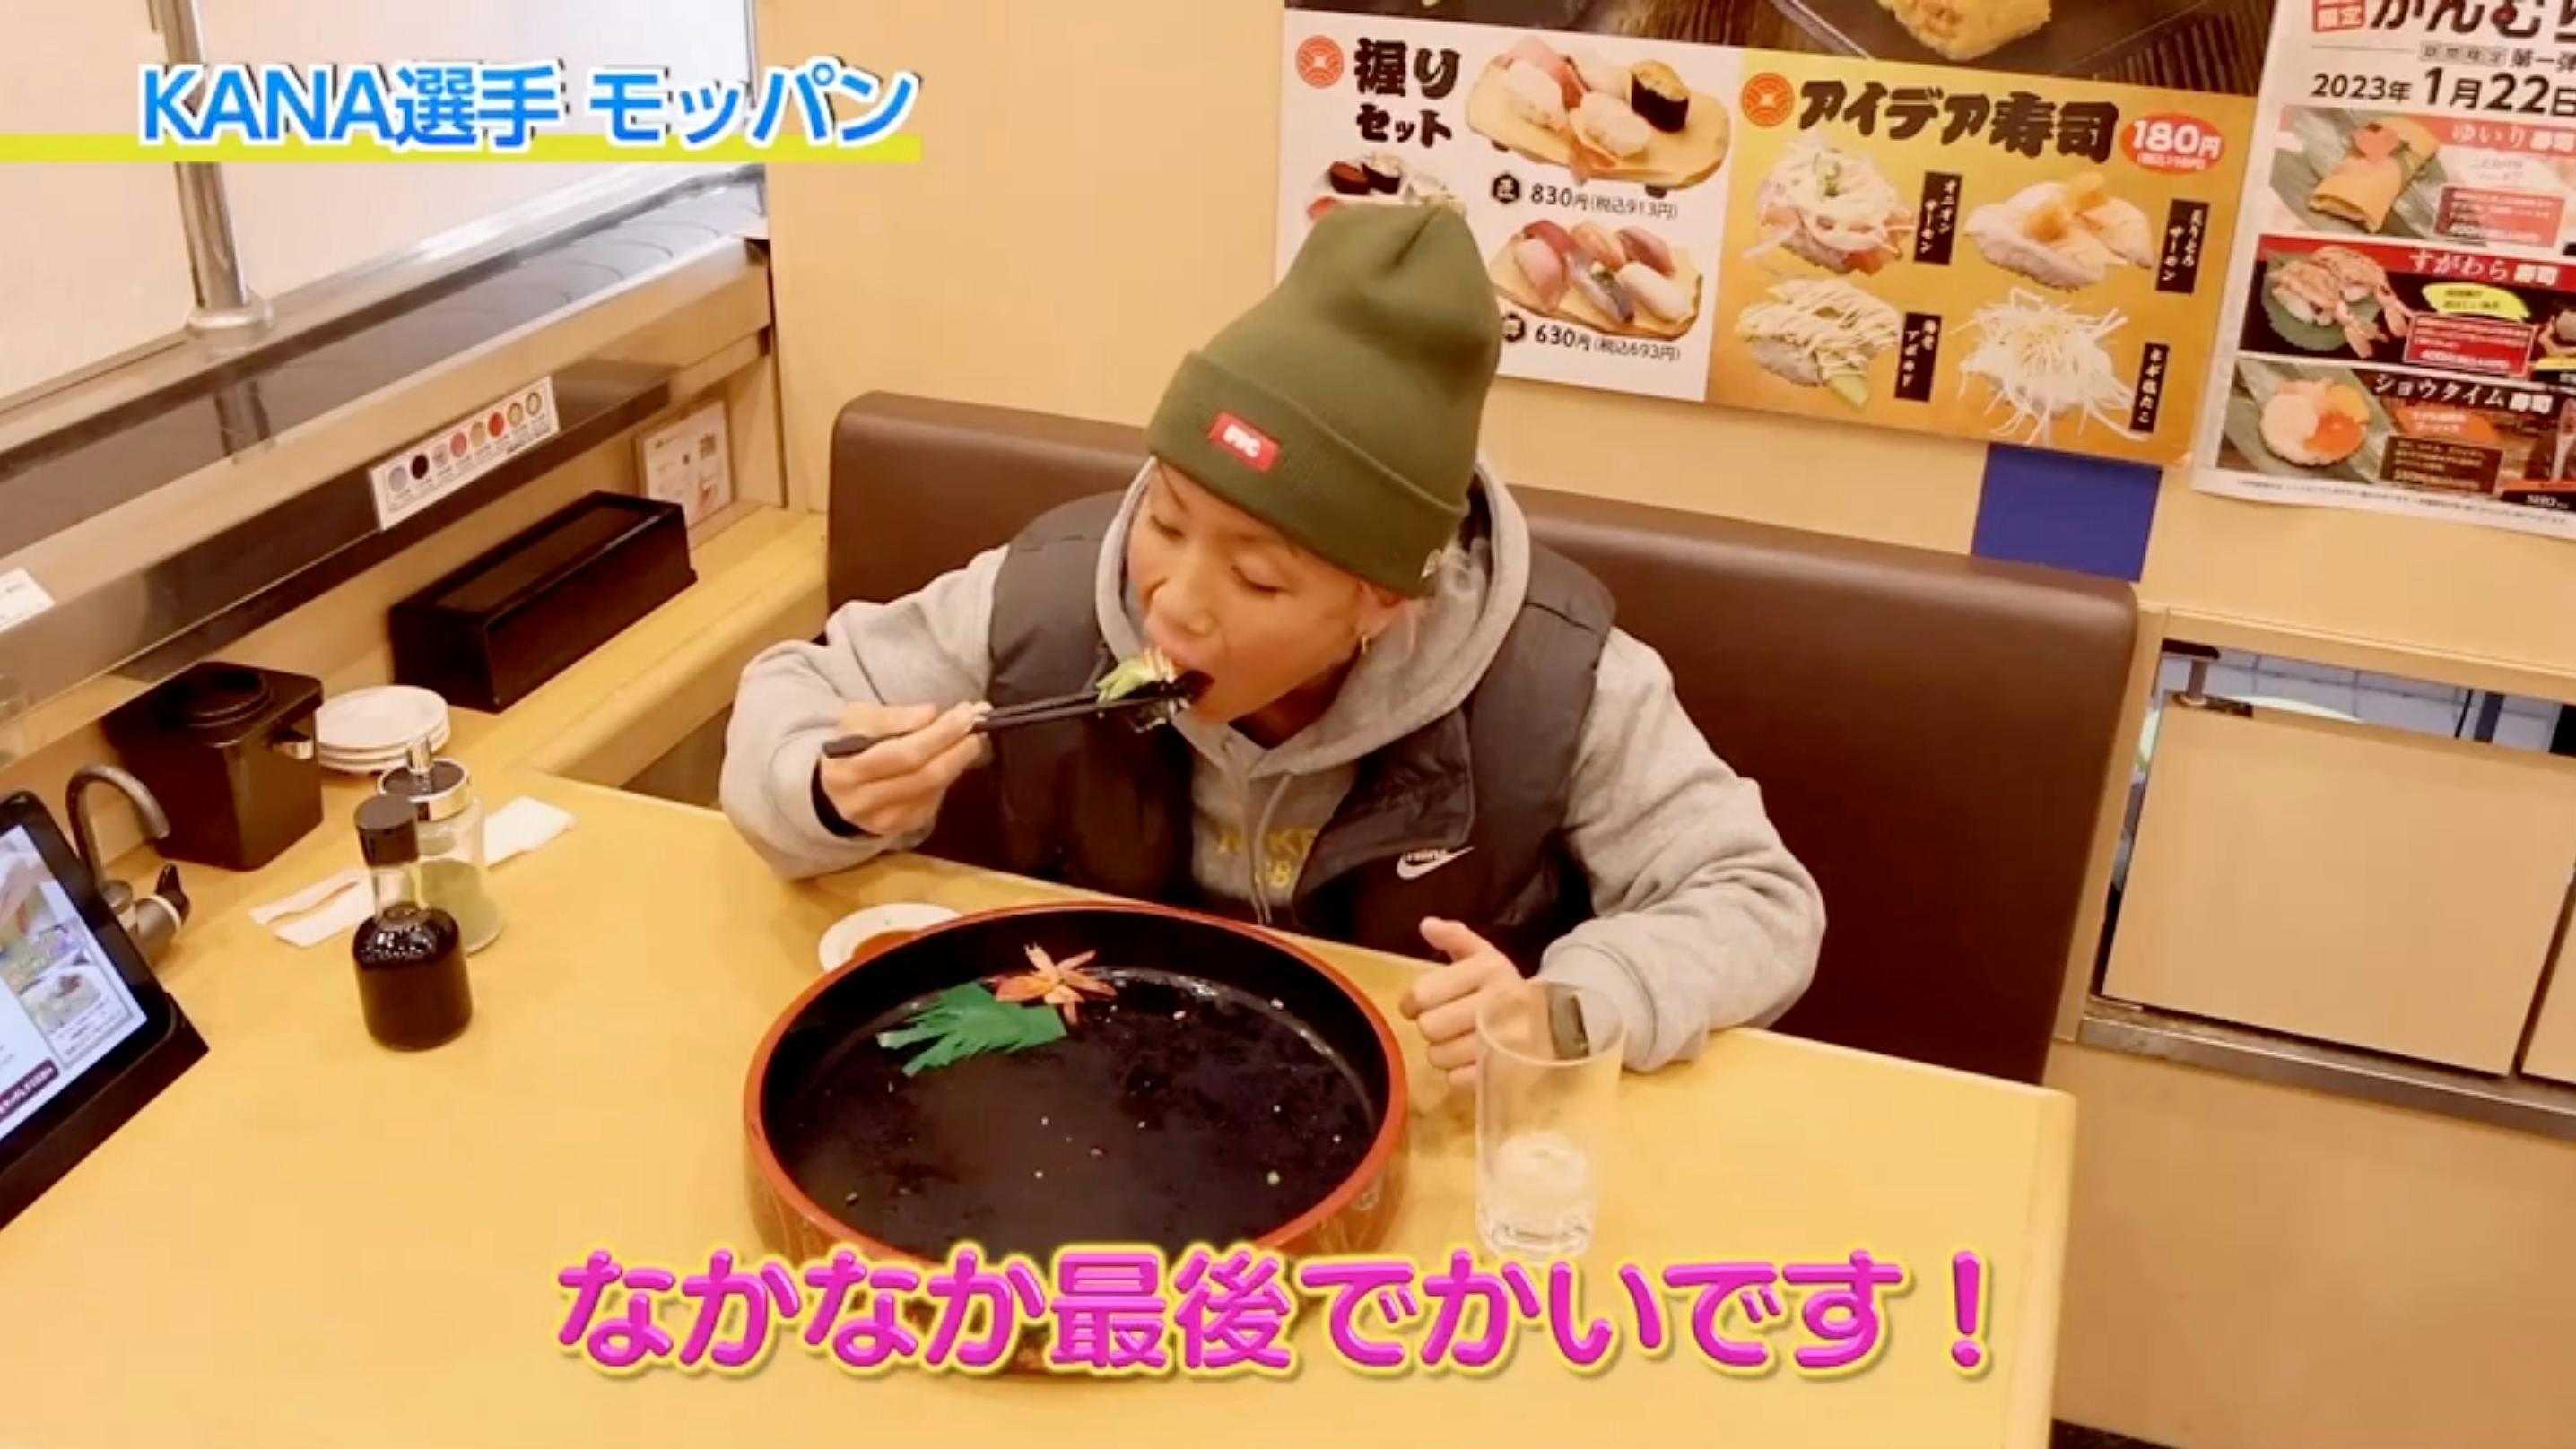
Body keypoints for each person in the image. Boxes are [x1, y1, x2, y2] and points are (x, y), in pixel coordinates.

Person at [720, 204, 1823, 1081]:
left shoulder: (1557, 680)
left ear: (1383, 599)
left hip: (1405, 1123)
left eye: (1256, 576)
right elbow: (798, 688)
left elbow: (1755, 898)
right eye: (1165, 520)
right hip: (1097, 1092)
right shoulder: (1049, 598)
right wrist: (825, 790)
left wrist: (1571, 1006)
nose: (1173, 601)